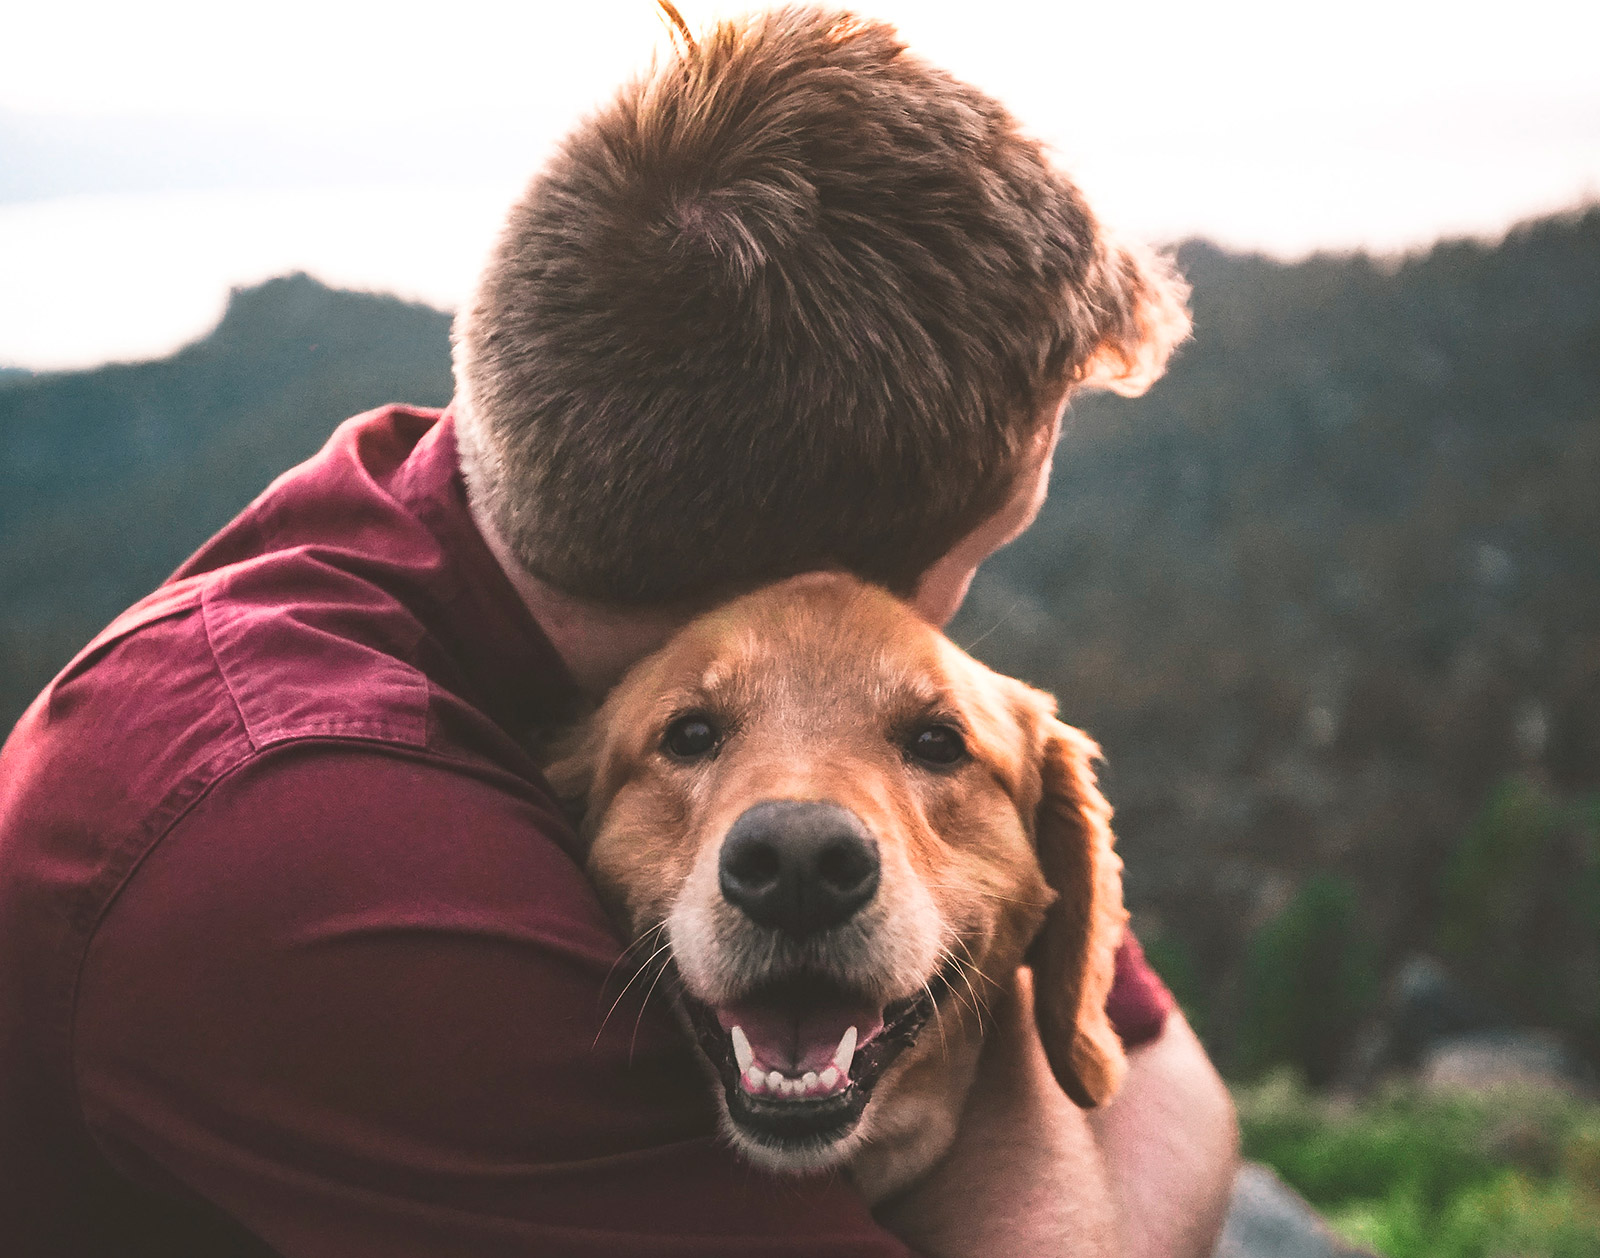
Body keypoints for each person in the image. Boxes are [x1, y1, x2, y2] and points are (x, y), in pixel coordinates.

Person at [0, 7, 1236, 1255]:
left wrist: (987, 973)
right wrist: (998, 1037)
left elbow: (1163, 1069)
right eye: (980, 553)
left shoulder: (501, 493)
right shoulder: (318, 859)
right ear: (807, 585)